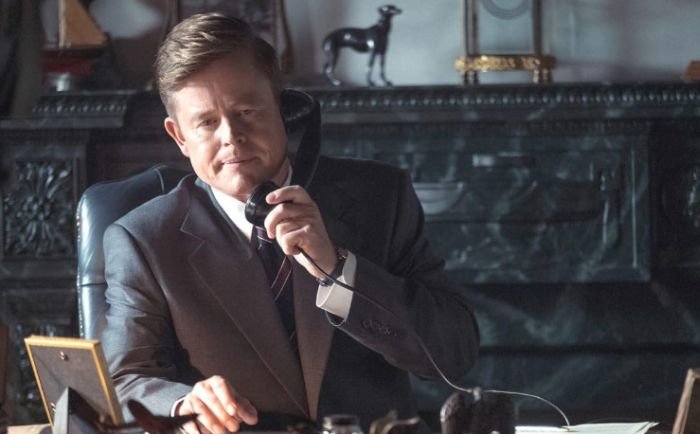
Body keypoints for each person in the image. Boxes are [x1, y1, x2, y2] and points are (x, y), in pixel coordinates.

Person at [101, 12, 479, 434]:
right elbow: (122, 381)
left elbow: (455, 353)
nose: (231, 136)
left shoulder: (380, 197)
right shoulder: (143, 240)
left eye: (247, 111)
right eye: (206, 122)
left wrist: (338, 270)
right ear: (179, 137)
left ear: (283, 110)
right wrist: (182, 405)